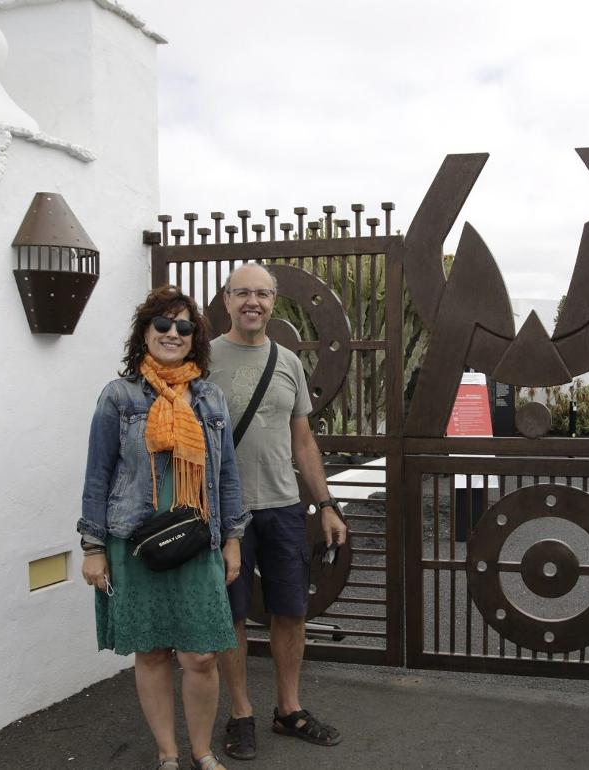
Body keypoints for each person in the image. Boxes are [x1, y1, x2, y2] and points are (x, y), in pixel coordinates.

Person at [79, 285, 248, 770]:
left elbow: (228, 477)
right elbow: (98, 475)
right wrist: (93, 547)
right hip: (134, 542)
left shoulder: (209, 398)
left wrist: (233, 539)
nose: (173, 333)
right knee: (152, 653)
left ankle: (202, 751)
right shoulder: (119, 396)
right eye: (163, 324)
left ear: (196, 338)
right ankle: (168, 754)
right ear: (144, 332)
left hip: (198, 543)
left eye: (184, 326)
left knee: (201, 656)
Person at [207, 262, 349, 760]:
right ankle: (241, 711)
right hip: (225, 515)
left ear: (274, 302)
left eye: (262, 294)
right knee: (233, 615)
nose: (253, 302)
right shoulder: (201, 361)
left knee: (291, 610)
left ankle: (289, 709)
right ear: (225, 300)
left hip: (285, 507)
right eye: (242, 292)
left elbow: (303, 441)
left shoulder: (287, 361)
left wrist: (326, 503)